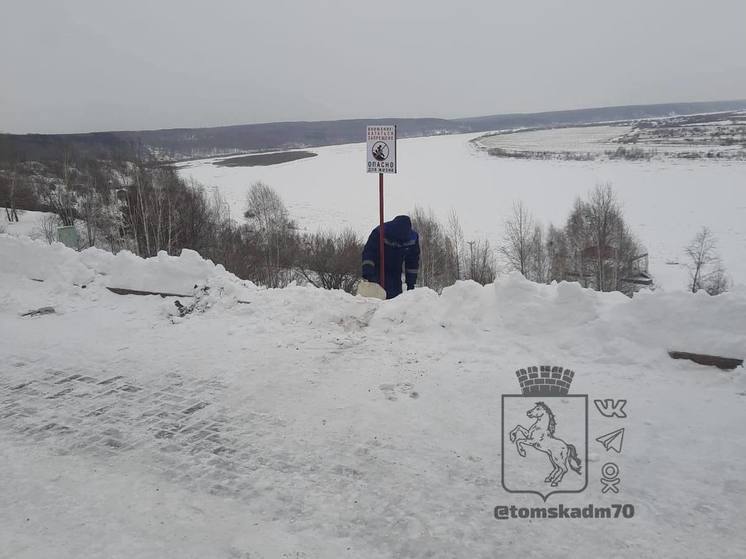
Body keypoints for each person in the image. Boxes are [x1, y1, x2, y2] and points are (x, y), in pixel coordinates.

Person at [361, 214, 420, 299]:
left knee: (393, 303)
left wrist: (411, 283)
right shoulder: (380, 232)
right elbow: (369, 253)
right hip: (377, 271)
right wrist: (368, 273)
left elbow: (412, 263)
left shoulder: (412, 238)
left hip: (395, 273)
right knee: (375, 301)